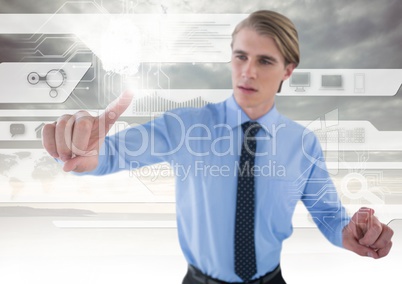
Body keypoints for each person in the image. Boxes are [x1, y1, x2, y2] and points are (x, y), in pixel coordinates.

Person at [42, 10, 393, 284]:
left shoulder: (303, 144)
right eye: (240, 57)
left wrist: (350, 233)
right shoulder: (184, 126)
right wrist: (88, 150)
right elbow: (115, 153)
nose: (247, 71)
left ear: (288, 70)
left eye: (265, 61)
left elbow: (329, 214)